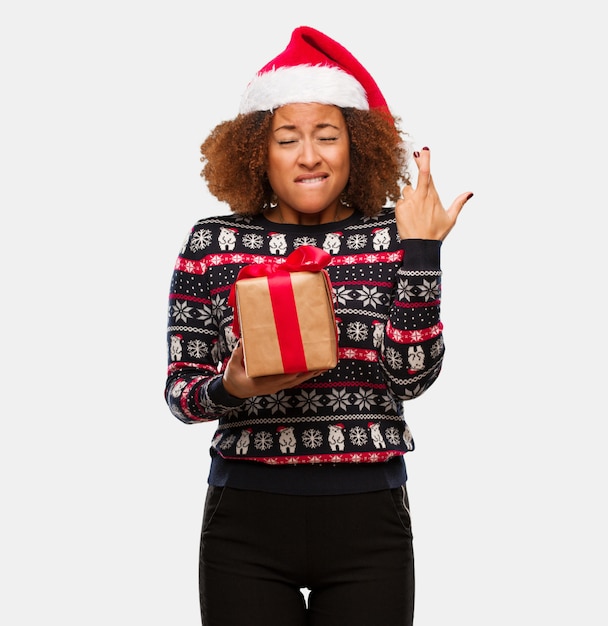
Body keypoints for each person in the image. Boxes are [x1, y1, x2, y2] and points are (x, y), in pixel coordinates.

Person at [164, 25, 472, 626]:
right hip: (245, 522)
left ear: (355, 145)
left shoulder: (390, 237)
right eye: (287, 139)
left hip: (368, 521)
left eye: (327, 136)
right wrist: (234, 388)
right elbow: (180, 395)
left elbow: (411, 378)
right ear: (258, 150)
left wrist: (420, 252)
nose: (309, 156)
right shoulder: (213, 244)